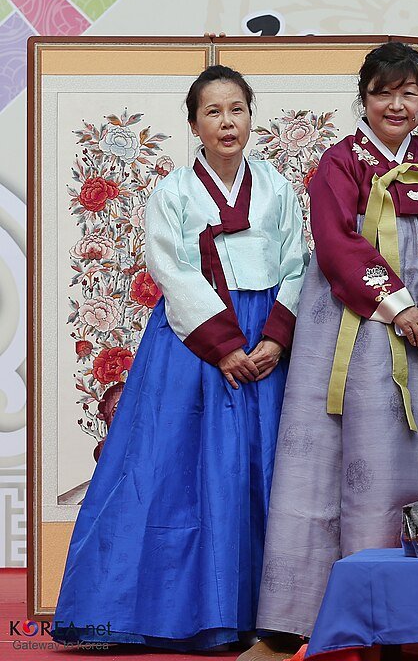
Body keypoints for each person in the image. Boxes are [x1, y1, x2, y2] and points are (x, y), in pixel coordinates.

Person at [53, 66, 308, 650]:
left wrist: (275, 338)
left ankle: (269, 613)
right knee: (171, 470)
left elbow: (297, 263)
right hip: (194, 341)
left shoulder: (277, 187)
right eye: (213, 112)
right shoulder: (171, 192)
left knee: (263, 470)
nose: (227, 122)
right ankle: (166, 611)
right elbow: (172, 270)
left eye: (237, 109)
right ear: (194, 124)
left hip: (266, 342)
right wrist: (225, 346)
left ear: (251, 116)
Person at [256, 42, 418, 643]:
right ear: (363, 99)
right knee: (334, 457)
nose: (396, 105)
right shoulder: (341, 161)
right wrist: (397, 307)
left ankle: (406, 611)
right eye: (382, 93)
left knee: (409, 450)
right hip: (352, 320)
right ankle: (310, 614)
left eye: (409, 93)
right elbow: (336, 242)